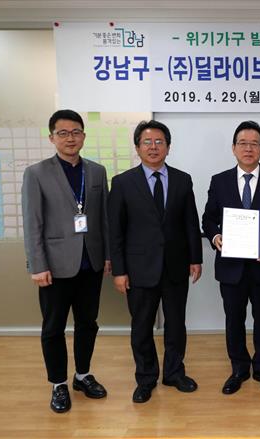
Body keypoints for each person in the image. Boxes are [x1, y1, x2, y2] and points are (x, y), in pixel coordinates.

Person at [108, 120, 203, 403]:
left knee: (176, 324)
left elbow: (190, 222)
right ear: (137, 147)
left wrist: (196, 258)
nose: (153, 147)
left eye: (159, 142)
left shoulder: (183, 180)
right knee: (142, 327)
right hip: (139, 269)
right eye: (147, 142)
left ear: (168, 147)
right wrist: (119, 271)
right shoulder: (123, 183)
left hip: (175, 265)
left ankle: (174, 372)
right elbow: (116, 231)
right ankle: (146, 378)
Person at [22, 109, 110, 413]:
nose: (70, 138)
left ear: (83, 136)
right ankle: (58, 383)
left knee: (88, 323)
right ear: (52, 138)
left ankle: (82, 375)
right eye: (63, 133)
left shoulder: (96, 172)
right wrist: (37, 265)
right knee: (53, 327)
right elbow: (32, 223)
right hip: (54, 266)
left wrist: (107, 255)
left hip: (91, 264)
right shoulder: (36, 173)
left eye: (76, 132)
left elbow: (104, 219)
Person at [202, 121, 260, 395]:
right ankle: (239, 368)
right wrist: (216, 237)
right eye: (243, 143)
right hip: (231, 267)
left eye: (254, 144)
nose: (248, 149)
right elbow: (208, 219)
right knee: (234, 319)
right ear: (233, 148)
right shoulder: (219, 181)